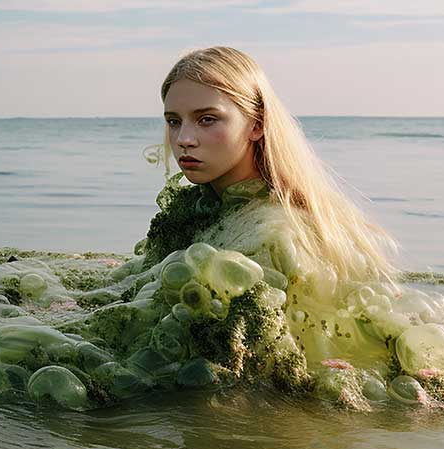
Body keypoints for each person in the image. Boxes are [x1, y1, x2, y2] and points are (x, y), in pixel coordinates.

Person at [143, 45, 396, 290]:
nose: (183, 139)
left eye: (207, 119)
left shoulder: (275, 237)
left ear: (257, 124)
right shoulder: (193, 214)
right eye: (174, 121)